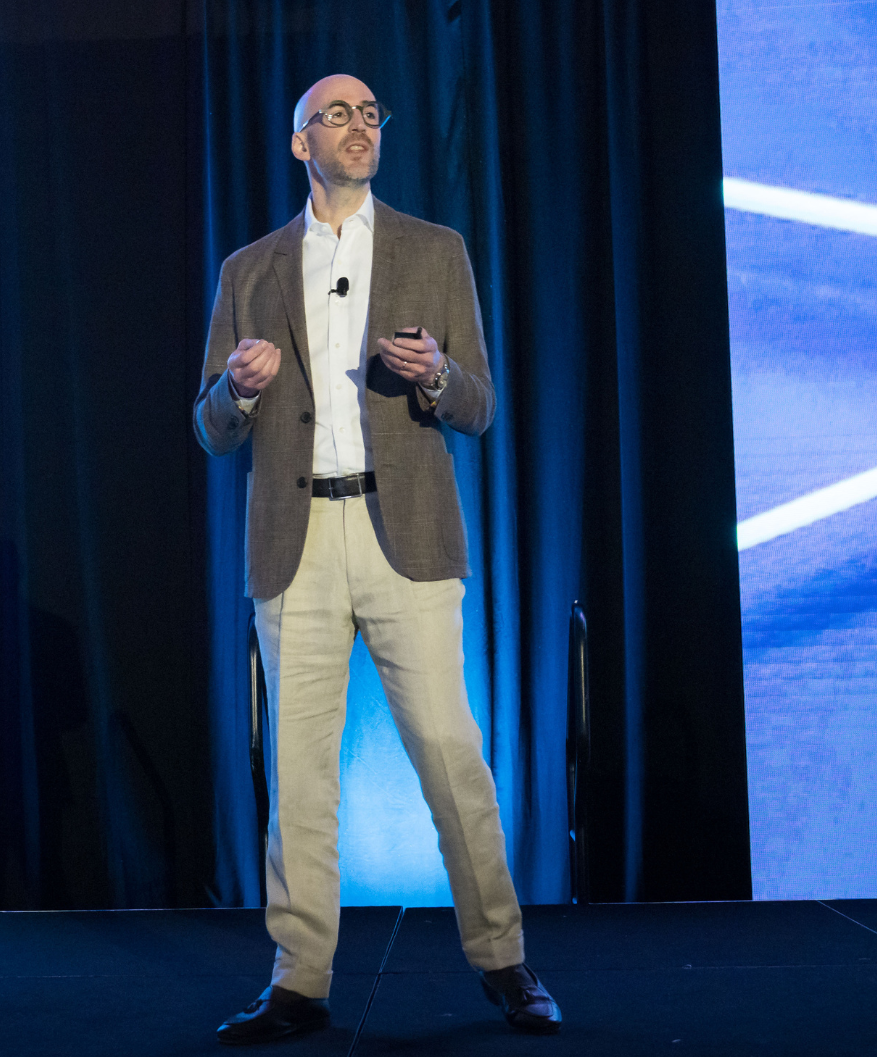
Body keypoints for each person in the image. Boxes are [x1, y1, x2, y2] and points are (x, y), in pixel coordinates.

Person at [195, 74, 560, 1045]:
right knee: (300, 775)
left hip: (406, 538)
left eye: (369, 115)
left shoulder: (433, 250)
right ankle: (298, 981)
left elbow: (478, 405)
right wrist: (238, 389)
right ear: (299, 144)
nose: (358, 127)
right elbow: (211, 427)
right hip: (296, 541)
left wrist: (435, 374)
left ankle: (505, 960)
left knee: (448, 751)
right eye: (336, 115)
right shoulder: (250, 269)